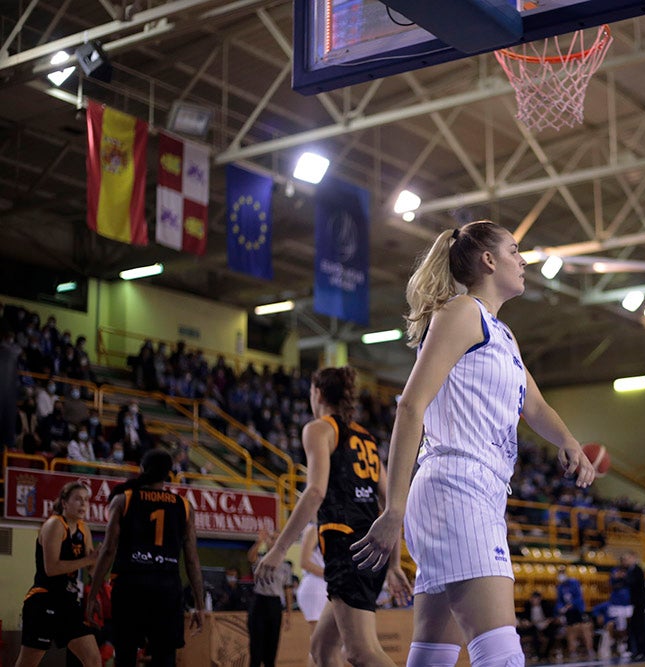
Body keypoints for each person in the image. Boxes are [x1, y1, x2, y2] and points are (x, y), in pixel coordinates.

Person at [349, 221, 596, 667]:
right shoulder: (462, 311)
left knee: (432, 655)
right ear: (488, 260)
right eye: (514, 250)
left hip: (477, 491)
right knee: (501, 655)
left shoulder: (503, 334)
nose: (522, 261)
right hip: (455, 486)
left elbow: (535, 407)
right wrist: (394, 509)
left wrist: (569, 441)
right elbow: (409, 408)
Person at [253, 366, 410, 667]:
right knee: (323, 649)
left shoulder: (319, 429)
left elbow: (315, 492)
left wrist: (279, 549)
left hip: (346, 546)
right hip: (372, 548)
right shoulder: (366, 439)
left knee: (360, 652)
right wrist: (391, 563)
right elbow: (391, 502)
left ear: (318, 393)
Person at [85, 448, 206, 667]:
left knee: (125, 655)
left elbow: (108, 550)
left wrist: (93, 594)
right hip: (167, 589)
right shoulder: (185, 506)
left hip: (130, 586)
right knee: (165, 658)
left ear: (142, 469)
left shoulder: (124, 499)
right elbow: (192, 559)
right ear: (169, 472)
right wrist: (199, 604)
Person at [15, 481, 102, 667]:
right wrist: (89, 560)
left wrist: (99, 561)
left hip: (68, 603)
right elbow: (51, 568)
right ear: (64, 503)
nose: (83, 504)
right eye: (78, 499)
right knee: (28, 663)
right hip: (44, 599)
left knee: (93, 659)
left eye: (86, 500)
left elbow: (90, 569)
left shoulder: (83, 529)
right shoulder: (54, 524)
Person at [247, 530, 295, 667]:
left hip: (275, 604)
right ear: (268, 541)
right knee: (256, 648)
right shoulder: (261, 559)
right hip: (259, 602)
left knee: (272, 648)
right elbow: (251, 557)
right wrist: (259, 541)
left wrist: (289, 612)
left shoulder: (285, 566)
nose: (274, 542)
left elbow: (288, 590)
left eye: (277, 539)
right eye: (272, 538)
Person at [556, 565, 594, 660]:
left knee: (584, 629)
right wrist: (561, 608)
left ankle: (589, 649)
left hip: (578, 609)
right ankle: (572, 651)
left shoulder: (574, 582)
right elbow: (559, 601)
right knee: (570, 630)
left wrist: (571, 604)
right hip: (569, 612)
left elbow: (579, 597)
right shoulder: (560, 587)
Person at [516, 591, 558, 662]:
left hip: (545, 625)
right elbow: (524, 617)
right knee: (534, 637)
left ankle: (546, 655)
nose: (533, 600)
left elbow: (551, 616)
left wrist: (547, 622)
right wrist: (525, 621)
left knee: (552, 635)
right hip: (533, 626)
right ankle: (538, 655)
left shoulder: (546, 605)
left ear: (540, 599)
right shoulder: (527, 605)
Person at [622, 551, 645, 661]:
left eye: (627, 559)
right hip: (635, 603)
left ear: (633, 558)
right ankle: (635, 650)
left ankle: (642, 651)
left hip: (640, 603)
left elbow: (633, 582)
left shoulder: (637, 570)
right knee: (634, 627)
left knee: (639, 627)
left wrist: (623, 577)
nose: (625, 561)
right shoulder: (630, 571)